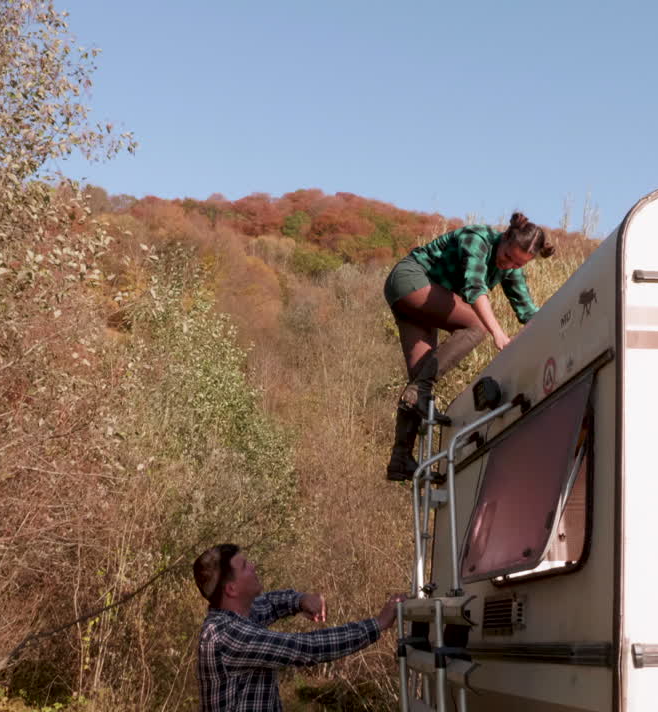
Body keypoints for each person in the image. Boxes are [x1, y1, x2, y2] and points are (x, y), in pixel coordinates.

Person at [383, 212, 555, 480]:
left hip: (423, 301)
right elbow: (474, 287)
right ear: (505, 238)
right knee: (476, 327)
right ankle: (420, 392)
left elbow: (528, 312)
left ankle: (401, 458)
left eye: (517, 265)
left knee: (422, 377)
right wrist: (497, 333)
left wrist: (557, 333)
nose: (507, 265)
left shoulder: (510, 269)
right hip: (411, 280)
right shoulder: (477, 239)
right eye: (508, 256)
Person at [193, 543, 402, 712]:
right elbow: (306, 648)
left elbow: (271, 603)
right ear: (232, 589)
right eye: (245, 566)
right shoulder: (225, 635)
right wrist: (378, 624)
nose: (253, 566)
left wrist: (301, 600)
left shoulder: (240, 616)